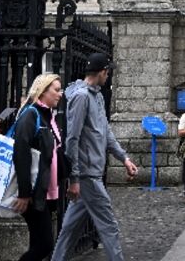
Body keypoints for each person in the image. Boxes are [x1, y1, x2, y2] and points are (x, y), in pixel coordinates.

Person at [51, 53, 139, 261]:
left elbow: (105, 132)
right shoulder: (82, 97)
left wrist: (124, 158)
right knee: (109, 226)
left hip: (91, 173)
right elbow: (72, 139)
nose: (108, 76)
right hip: (87, 175)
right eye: (108, 72)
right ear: (101, 72)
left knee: (70, 230)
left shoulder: (97, 96)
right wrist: (74, 177)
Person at [11, 73, 66, 261]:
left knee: (37, 243)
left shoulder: (48, 116)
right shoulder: (30, 115)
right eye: (56, 90)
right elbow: (21, 153)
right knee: (44, 245)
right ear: (42, 92)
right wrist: (24, 193)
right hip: (34, 192)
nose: (60, 94)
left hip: (46, 189)